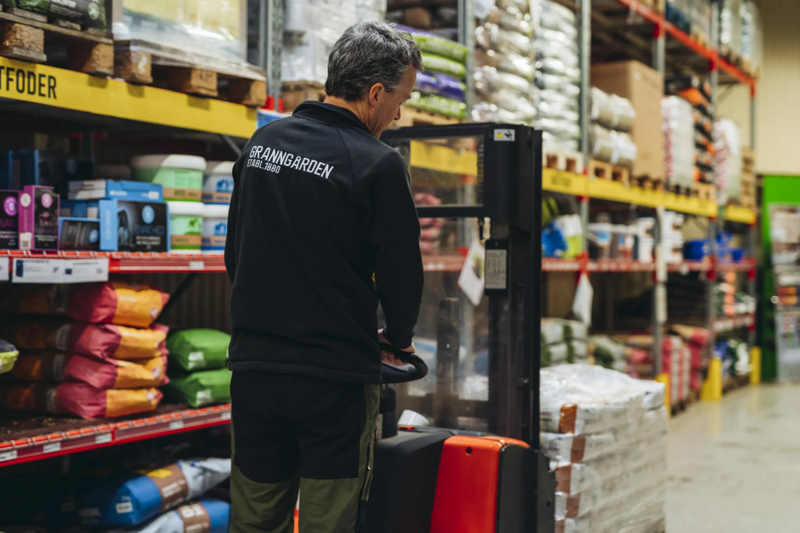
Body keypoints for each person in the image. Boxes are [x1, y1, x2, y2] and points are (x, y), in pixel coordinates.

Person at [224, 21, 425, 533]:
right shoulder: (378, 164)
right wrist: (397, 340)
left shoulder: (262, 143)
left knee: (252, 518)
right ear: (376, 92)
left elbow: (235, 253)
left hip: (255, 373)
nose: (400, 112)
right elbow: (403, 276)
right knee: (327, 521)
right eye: (401, 98)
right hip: (333, 384)